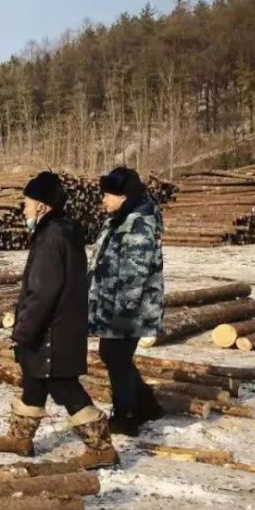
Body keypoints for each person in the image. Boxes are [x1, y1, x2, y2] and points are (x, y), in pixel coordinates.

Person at [0, 171, 119, 469]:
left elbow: (43, 292)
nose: (23, 209)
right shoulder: (61, 231)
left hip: (51, 330)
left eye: (26, 203)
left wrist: (24, 332)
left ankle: (101, 447)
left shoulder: (51, 237)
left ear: (42, 206)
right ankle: (20, 437)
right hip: (59, 326)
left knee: (63, 386)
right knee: (34, 379)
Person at [89, 167, 165, 436]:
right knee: (114, 356)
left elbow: (134, 274)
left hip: (131, 309)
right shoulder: (119, 219)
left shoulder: (138, 225)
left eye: (107, 195)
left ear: (124, 196)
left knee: (115, 357)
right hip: (115, 304)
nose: (103, 200)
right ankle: (147, 404)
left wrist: (122, 314)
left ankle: (126, 415)